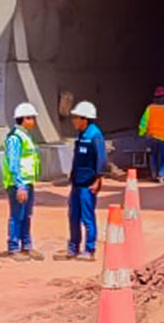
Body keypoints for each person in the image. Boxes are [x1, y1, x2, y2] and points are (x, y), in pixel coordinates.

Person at [57, 100, 106, 260]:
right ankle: (73, 247)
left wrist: (98, 179)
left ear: (84, 119)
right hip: (77, 183)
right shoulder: (81, 135)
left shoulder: (94, 134)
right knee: (73, 216)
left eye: (76, 117)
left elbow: (101, 158)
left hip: (87, 184)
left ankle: (89, 249)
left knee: (87, 217)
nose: (73, 121)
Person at [1, 101, 42, 260]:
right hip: (18, 184)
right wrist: (20, 185)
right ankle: (14, 247)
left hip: (27, 182)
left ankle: (27, 245)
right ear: (24, 119)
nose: (34, 121)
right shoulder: (15, 138)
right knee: (17, 215)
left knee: (27, 215)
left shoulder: (25, 136)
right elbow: (13, 163)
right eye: (31, 118)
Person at [138, 86, 164, 181]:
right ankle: (162, 175)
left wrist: (142, 133)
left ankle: (154, 174)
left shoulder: (150, 108)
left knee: (153, 156)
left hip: (152, 137)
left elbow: (144, 122)